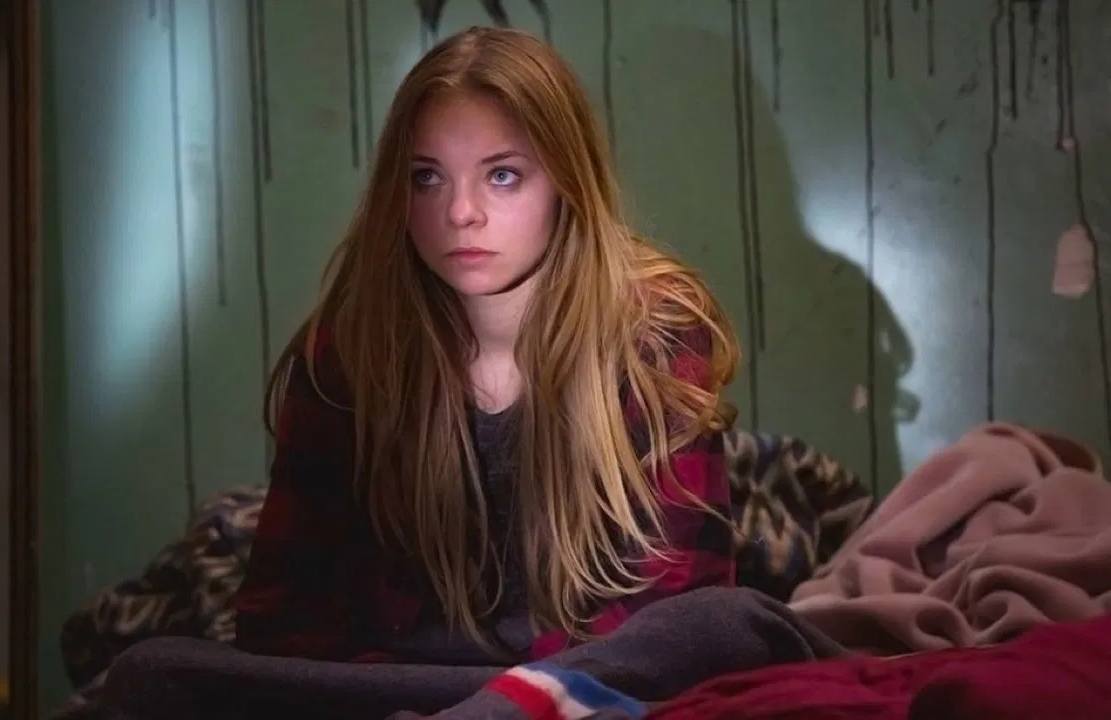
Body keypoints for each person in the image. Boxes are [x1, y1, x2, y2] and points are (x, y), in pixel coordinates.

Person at [90, 26, 826, 720]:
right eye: (428, 178)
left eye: (503, 176)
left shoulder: (652, 330)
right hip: (396, 679)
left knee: (727, 623)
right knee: (149, 672)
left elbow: (673, 614)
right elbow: (284, 614)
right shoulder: (353, 345)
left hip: (585, 678)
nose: (461, 213)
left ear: (565, 182)